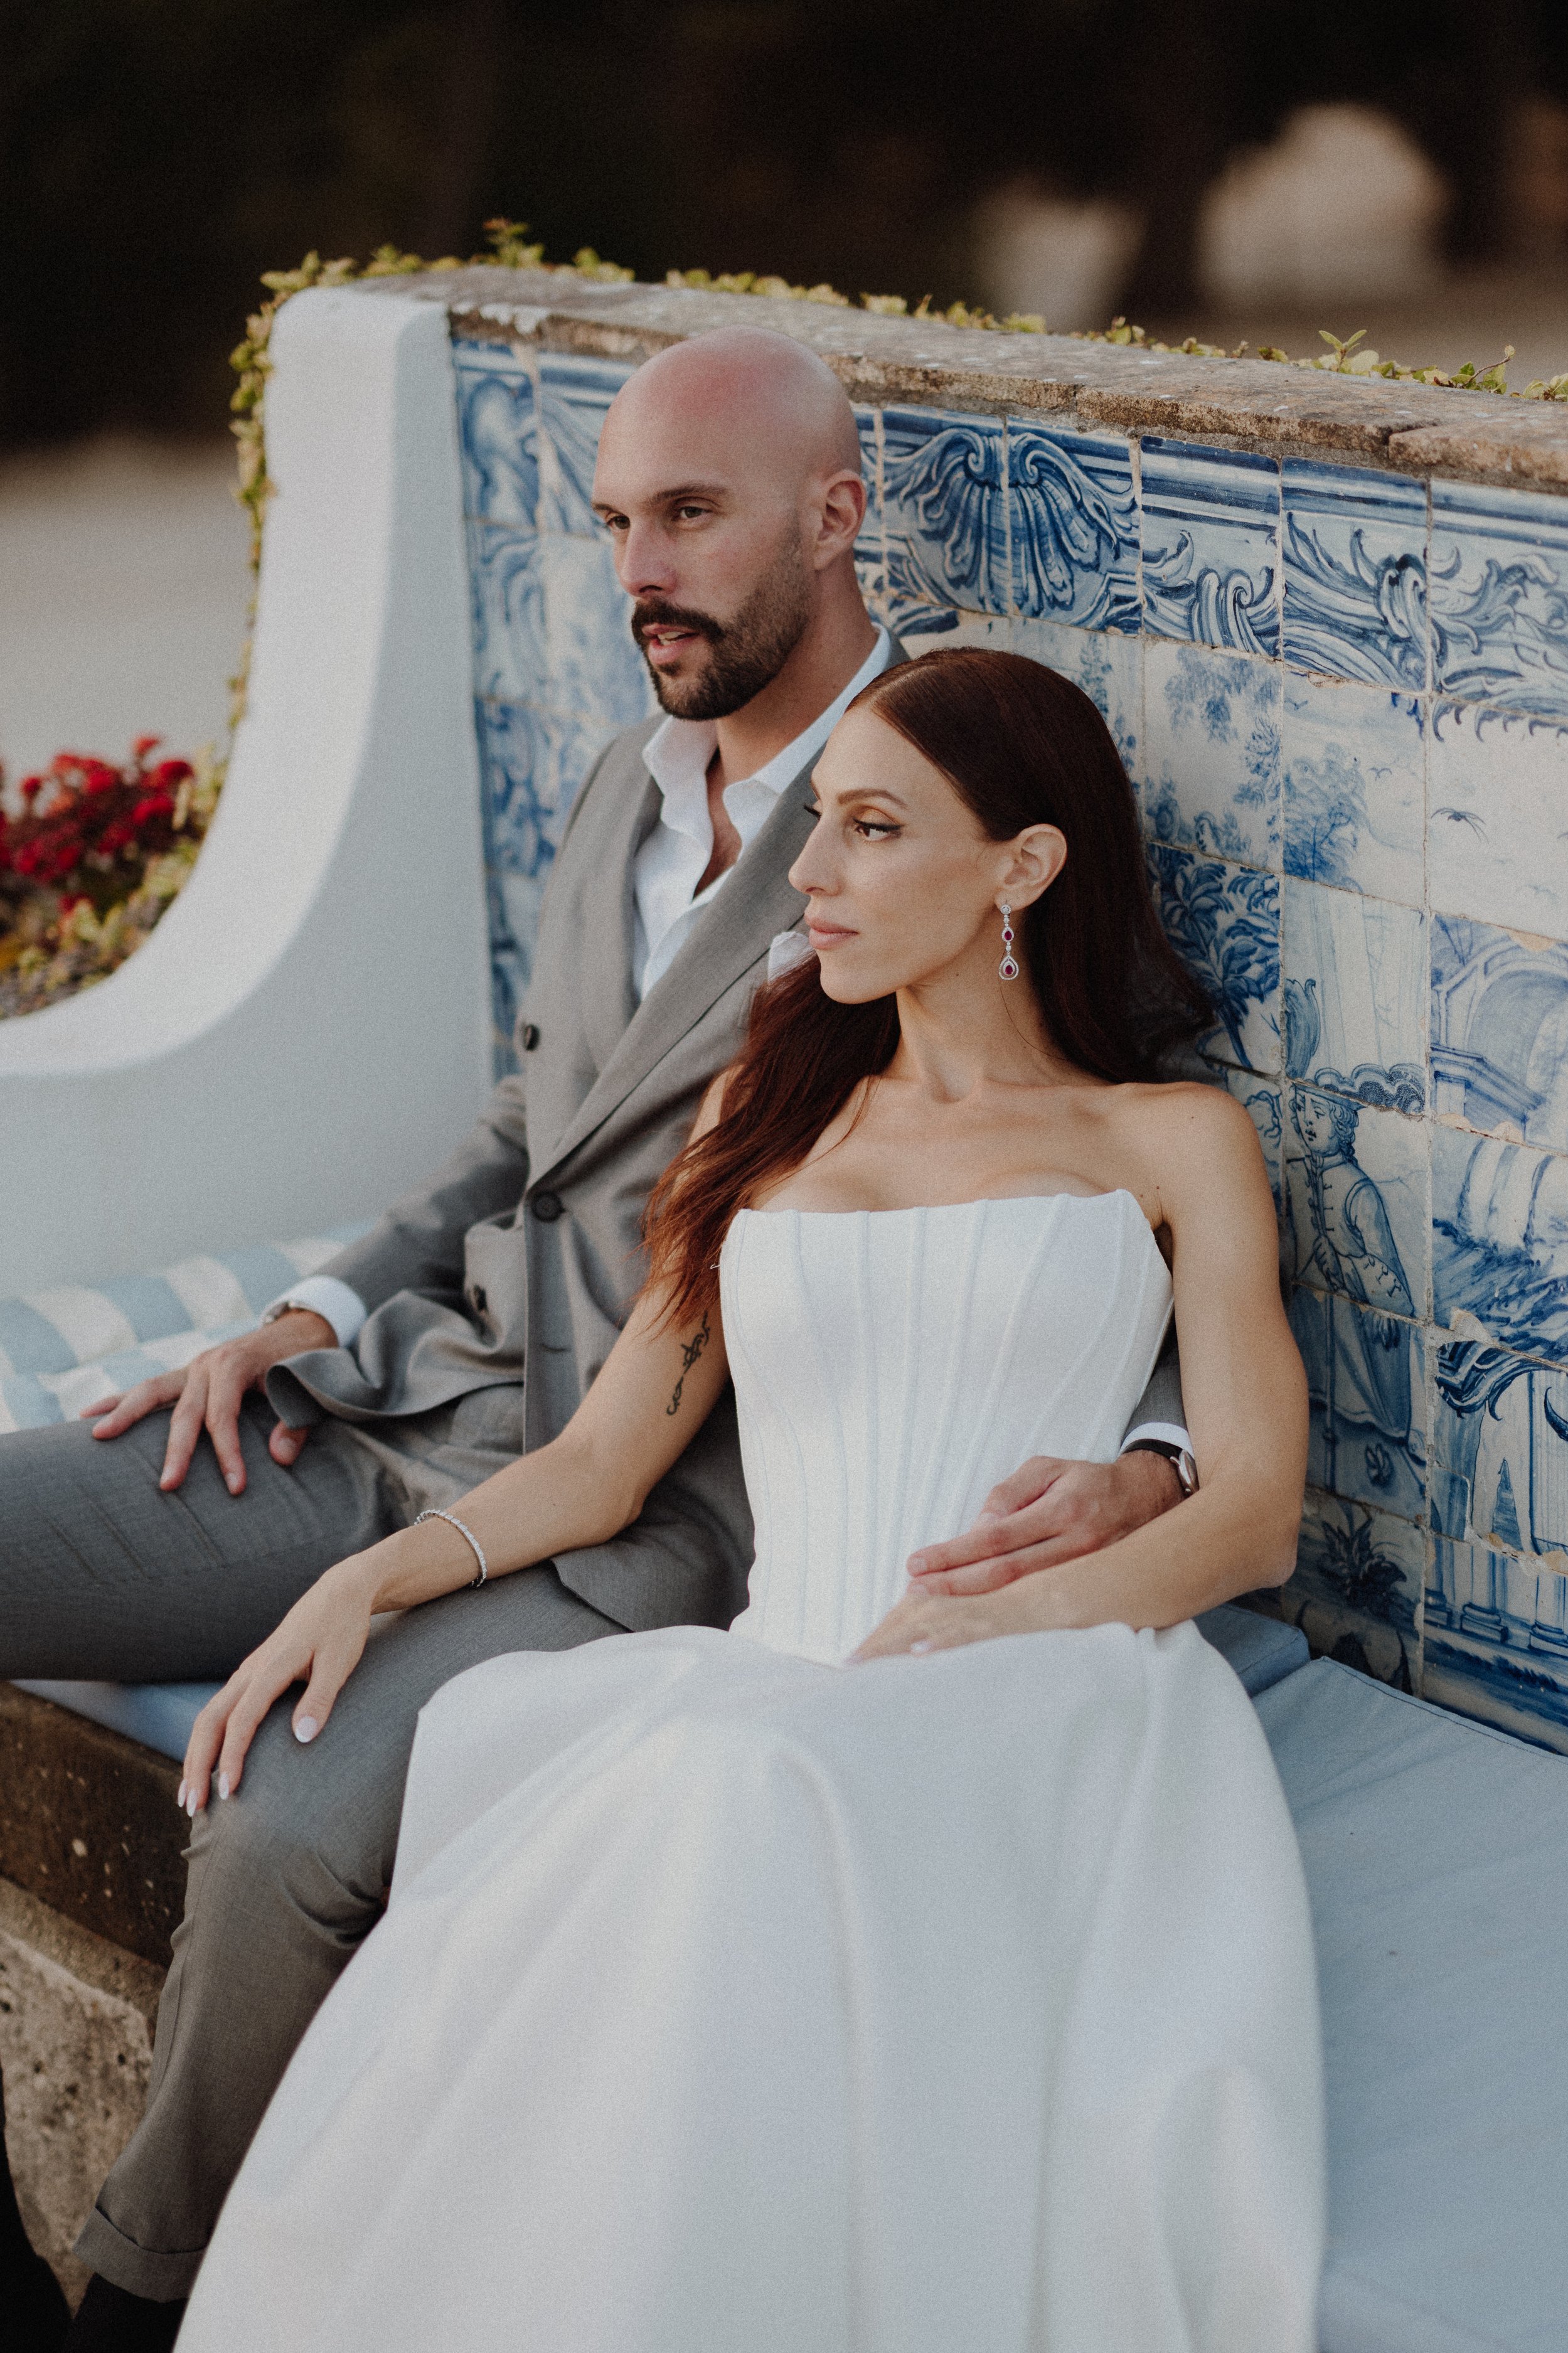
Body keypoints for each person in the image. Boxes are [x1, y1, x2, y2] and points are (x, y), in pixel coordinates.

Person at [0, 330, 1190, 2351]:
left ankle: (135, 2303)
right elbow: (527, 1122)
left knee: (278, 1837)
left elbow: (1102, 1138)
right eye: (618, 521)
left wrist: (1147, 1456)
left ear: (834, 516)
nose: (640, 570)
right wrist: (311, 1308)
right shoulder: (625, 786)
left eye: (691, 516)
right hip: (412, 1404)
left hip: (648, 1518)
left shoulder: (946, 811)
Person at [177, 647, 1323, 2353]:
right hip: (779, 1669)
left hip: (1044, 1684)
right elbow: (603, 1463)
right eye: (819, 823)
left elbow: (1254, 1512)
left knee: (737, 1789)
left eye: (873, 829)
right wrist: (369, 1581)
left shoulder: (1170, 1141)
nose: (810, 873)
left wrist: (993, 1618)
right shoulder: (768, 1116)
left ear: (1020, 865)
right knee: (665, 1798)